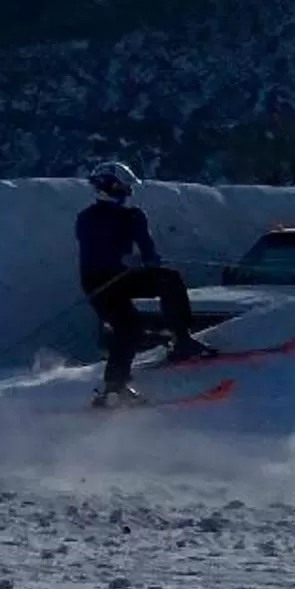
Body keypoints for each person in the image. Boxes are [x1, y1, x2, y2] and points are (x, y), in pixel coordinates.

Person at [76, 161, 212, 407]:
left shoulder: (133, 216)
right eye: (124, 187)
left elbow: (147, 246)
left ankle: (181, 340)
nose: (128, 192)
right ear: (110, 187)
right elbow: (95, 251)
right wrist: (122, 259)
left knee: (168, 278)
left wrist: (149, 258)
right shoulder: (88, 218)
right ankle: (113, 388)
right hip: (100, 281)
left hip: (123, 276)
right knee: (128, 327)